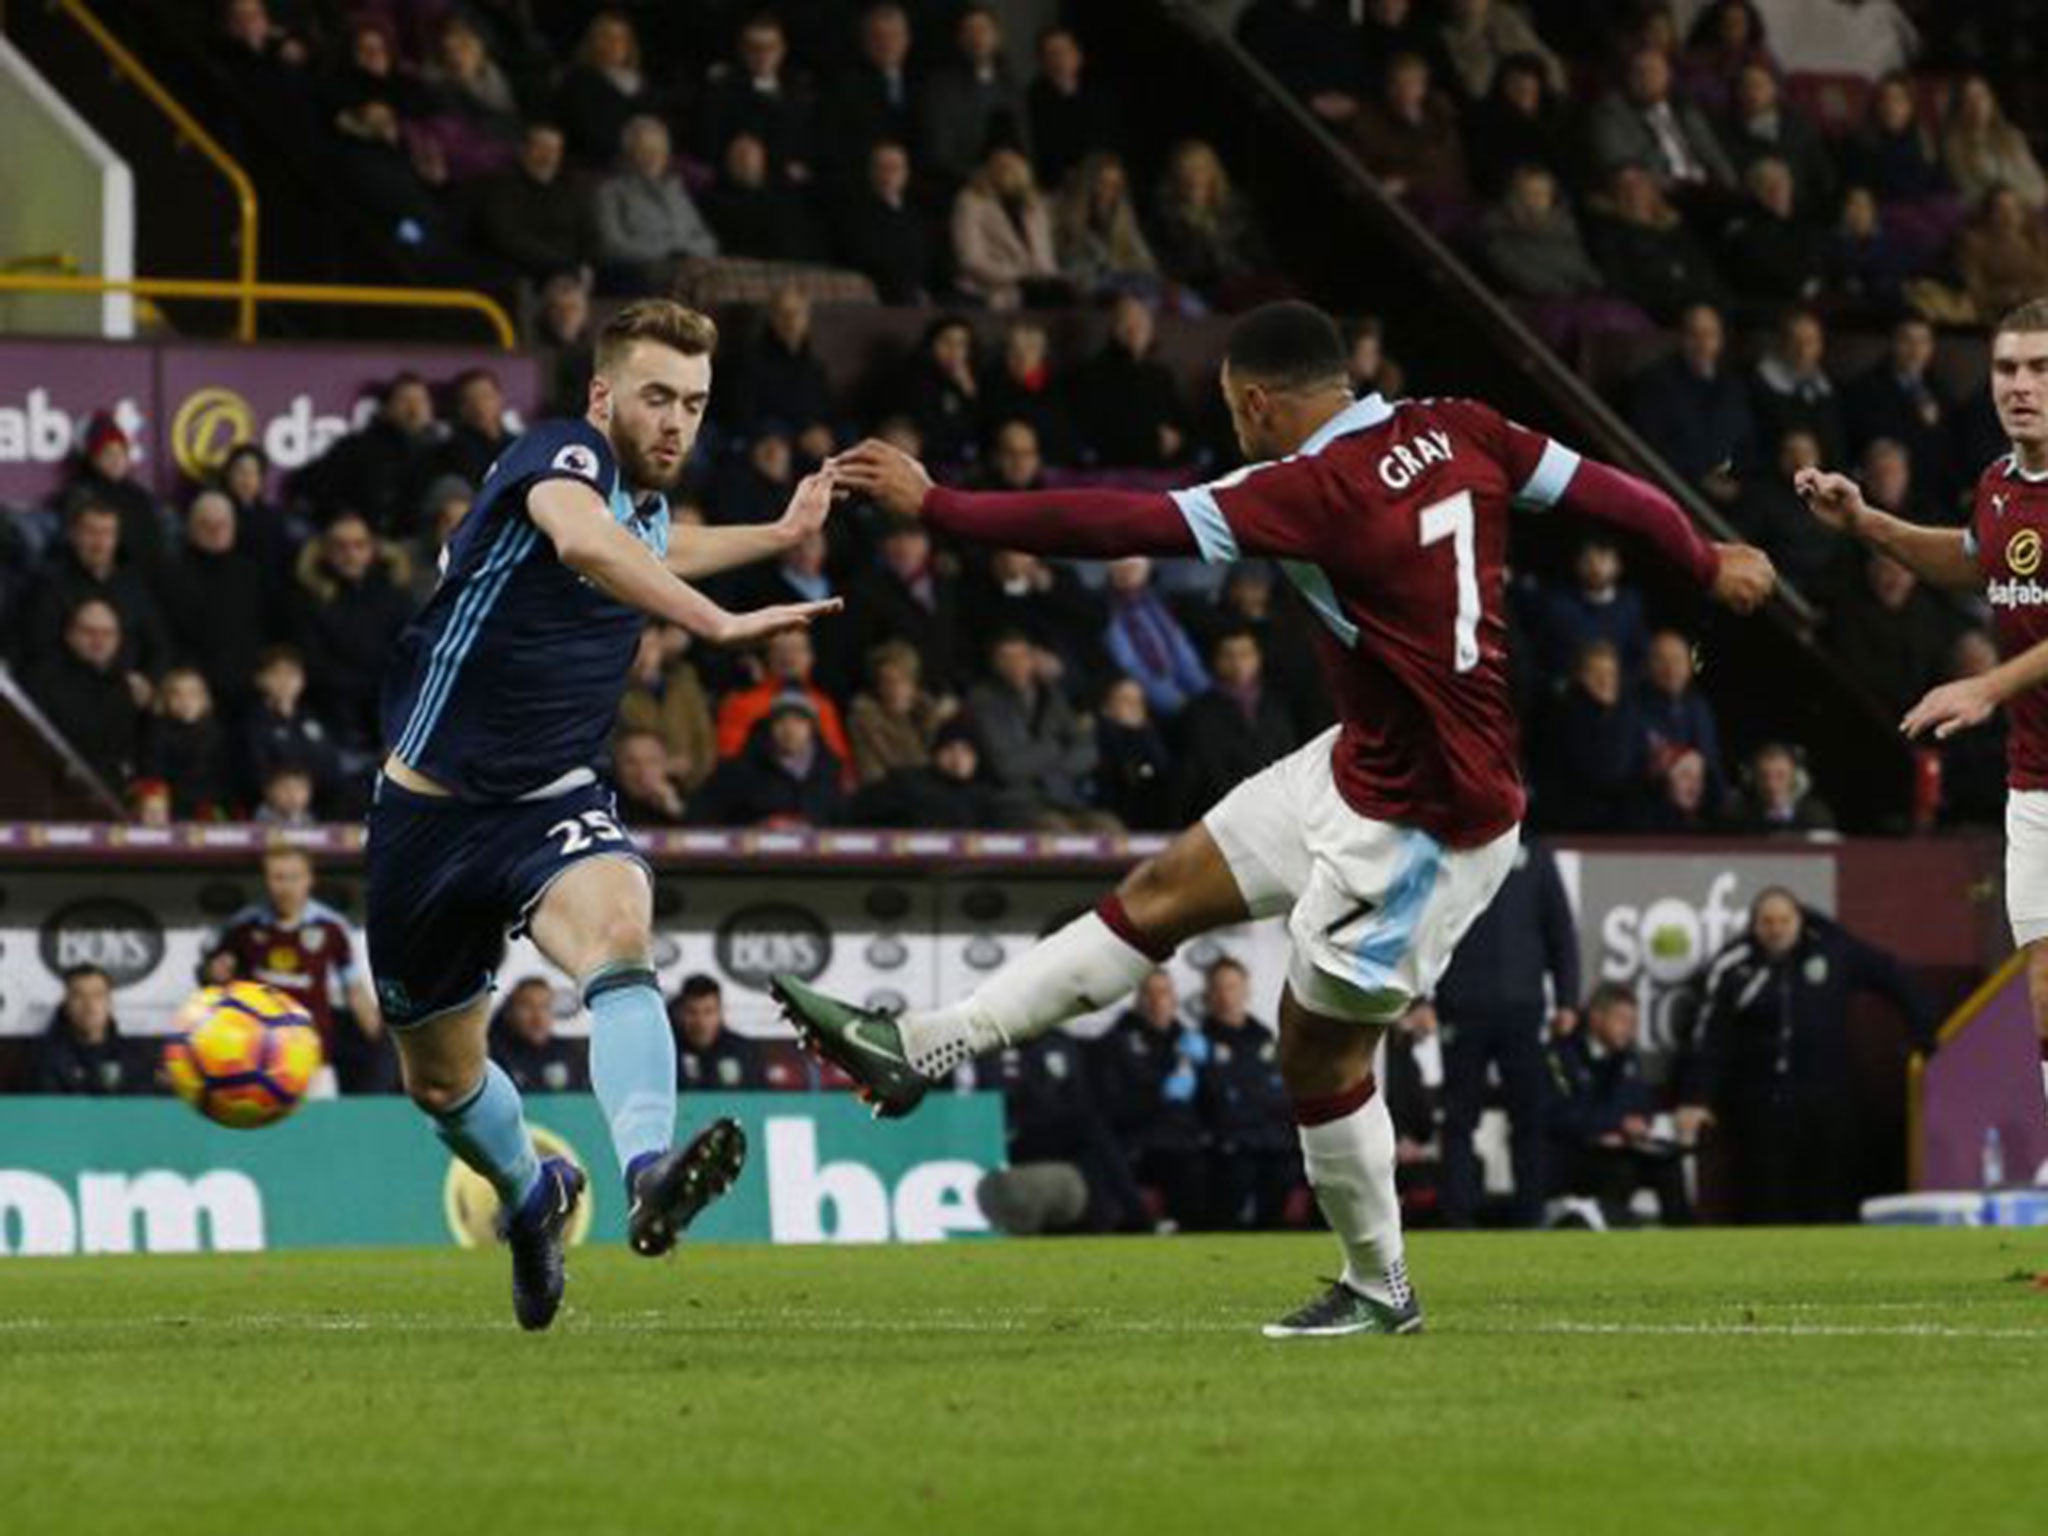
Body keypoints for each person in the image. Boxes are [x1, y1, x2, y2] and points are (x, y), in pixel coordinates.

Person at [779, 299, 1772, 1336]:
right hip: (1354, 771)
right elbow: (1601, 489)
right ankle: (919, 1046)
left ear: (1256, 403)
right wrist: (1702, 557)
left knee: (1313, 1056)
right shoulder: (1461, 426)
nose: (1231, 428)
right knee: (1157, 894)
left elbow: (1119, 524)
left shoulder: (1308, 491)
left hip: (1427, 831)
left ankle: (1377, 1285)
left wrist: (940, 506)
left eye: (1230, 410)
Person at [365, 299, 840, 1330]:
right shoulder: (557, 457)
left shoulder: (639, 505)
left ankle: (646, 1172)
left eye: (695, 404)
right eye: (657, 396)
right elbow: (588, 544)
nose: (676, 422)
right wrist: (713, 622)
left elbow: (665, 539)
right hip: (427, 820)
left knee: (621, 940)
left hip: (553, 806)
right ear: (602, 394)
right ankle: (532, 1202)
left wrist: (780, 533)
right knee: (440, 1085)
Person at [1800, 299, 2048, 1104]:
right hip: (2036, 778)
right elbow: (1972, 559)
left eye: (2040, 369)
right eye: (2008, 368)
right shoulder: (2000, 484)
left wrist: (1988, 684)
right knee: (2042, 983)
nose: (2020, 385)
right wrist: (1867, 521)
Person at [1678, 890, 1933, 1223]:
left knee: (1829, 1200)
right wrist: (1697, 1097)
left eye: (1784, 920)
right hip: (1760, 1106)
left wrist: (1925, 1032)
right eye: (1767, 921)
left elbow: (1893, 976)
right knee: (1766, 1204)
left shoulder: (1833, 950)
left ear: (1799, 921)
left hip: (1827, 1103)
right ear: (1754, 926)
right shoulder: (1733, 968)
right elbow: (1710, 1037)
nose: (1776, 929)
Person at [1418, 836, 1577, 1227]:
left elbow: (1560, 930)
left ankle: (1530, 1216)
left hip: (1523, 1009)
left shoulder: (1536, 855)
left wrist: (1568, 1000)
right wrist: (1419, 997)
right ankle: (1457, 1218)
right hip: (1460, 1005)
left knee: (1529, 1118)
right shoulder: (1444, 852)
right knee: (1459, 1119)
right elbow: (1421, 927)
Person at [211, 844, 388, 1090]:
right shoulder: (243, 927)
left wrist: (383, 1043)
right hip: (256, 1062)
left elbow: (354, 990)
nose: (286, 887)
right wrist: (217, 974)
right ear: (266, 879)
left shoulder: (330, 927)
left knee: (323, 1128)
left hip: (313, 1058)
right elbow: (216, 985)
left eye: (294, 877)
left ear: (309, 879)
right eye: (278, 877)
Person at [1545, 982, 1690, 1228]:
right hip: (1573, 1151)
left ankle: (1683, 1238)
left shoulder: (1626, 1057)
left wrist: (1636, 1126)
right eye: (1622, 1020)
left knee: (1667, 1164)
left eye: (1633, 1022)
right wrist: (1614, 1125)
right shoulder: (1560, 1054)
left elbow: (1641, 1103)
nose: (1629, 1030)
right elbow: (1561, 1113)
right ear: (1596, 1017)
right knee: (1618, 1170)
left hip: (1622, 1146)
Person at [1198, 957, 1301, 1229]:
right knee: (1234, 1174)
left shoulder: (1265, 1038)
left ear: (1245, 991)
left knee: (1291, 1168)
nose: (1225, 995)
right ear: (1208, 995)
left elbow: (1281, 1095)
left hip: (1274, 1140)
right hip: (1230, 1142)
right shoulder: (1198, 1041)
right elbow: (1215, 1099)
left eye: (1232, 987)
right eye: (1218, 988)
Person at [32, 965, 148, 1095]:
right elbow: (47, 1112)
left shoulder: (132, 1057)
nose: (89, 1005)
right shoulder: (45, 1059)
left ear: (109, 1003)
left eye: (98, 995)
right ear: (66, 1004)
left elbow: (140, 1111)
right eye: (78, 996)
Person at [671, 974, 775, 1090]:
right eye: (692, 1012)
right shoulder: (669, 1052)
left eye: (708, 1012)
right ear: (681, 1013)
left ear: (720, 1012)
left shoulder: (745, 1052)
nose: (701, 1022)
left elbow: (762, 1100)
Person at [489, 978, 589, 1094]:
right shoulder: (494, 1057)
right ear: (509, 1012)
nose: (538, 1018)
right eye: (526, 1007)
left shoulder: (573, 1054)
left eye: (545, 1007)